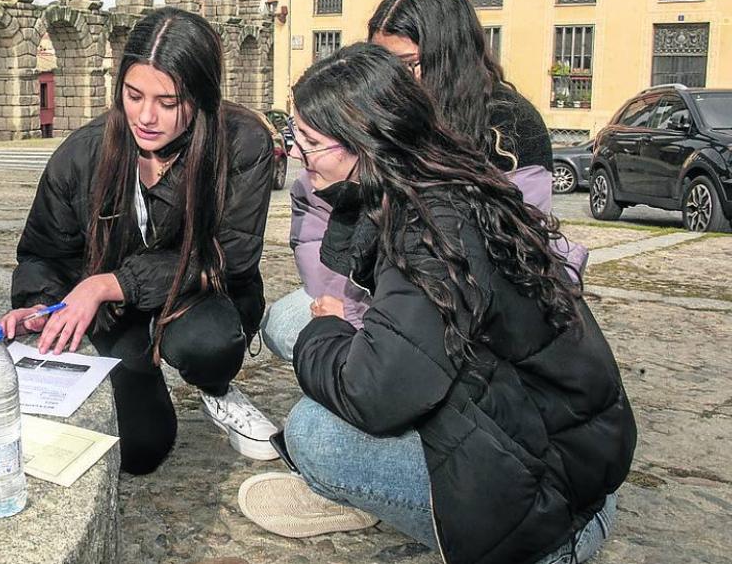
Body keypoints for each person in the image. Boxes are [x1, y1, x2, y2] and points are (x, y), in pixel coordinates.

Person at [237, 44, 636, 564]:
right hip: (561, 452)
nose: (296, 154)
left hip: (552, 508)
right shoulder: (440, 186)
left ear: (366, 143)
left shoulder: (428, 232)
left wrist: (325, 331)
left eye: (309, 141)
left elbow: (373, 395)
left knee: (314, 433)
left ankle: (372, 498)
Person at [0, 7, 279, 475]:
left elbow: (230, 256)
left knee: (207, 344)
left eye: (168, 102)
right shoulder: (82, 153)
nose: (146, 117)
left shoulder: (244, 143)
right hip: (122, 316)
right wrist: (39, 304)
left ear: (202, 96)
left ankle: (217, 389)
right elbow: (43, 252)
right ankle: (141, 368)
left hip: (203, 297)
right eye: (133, 95)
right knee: (140, 453)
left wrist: (108, 283)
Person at [263, 0, 584, 359]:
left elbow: (496, 270)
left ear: (448, 57)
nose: (389, 79)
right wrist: (341, 306)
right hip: (374, 292)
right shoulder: (371, 120)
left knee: (316, 414)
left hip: (465, 317)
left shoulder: (510, 127)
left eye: (405, 65)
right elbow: (317, 229)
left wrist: (358, 316)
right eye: (380, 63)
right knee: (284, 324)